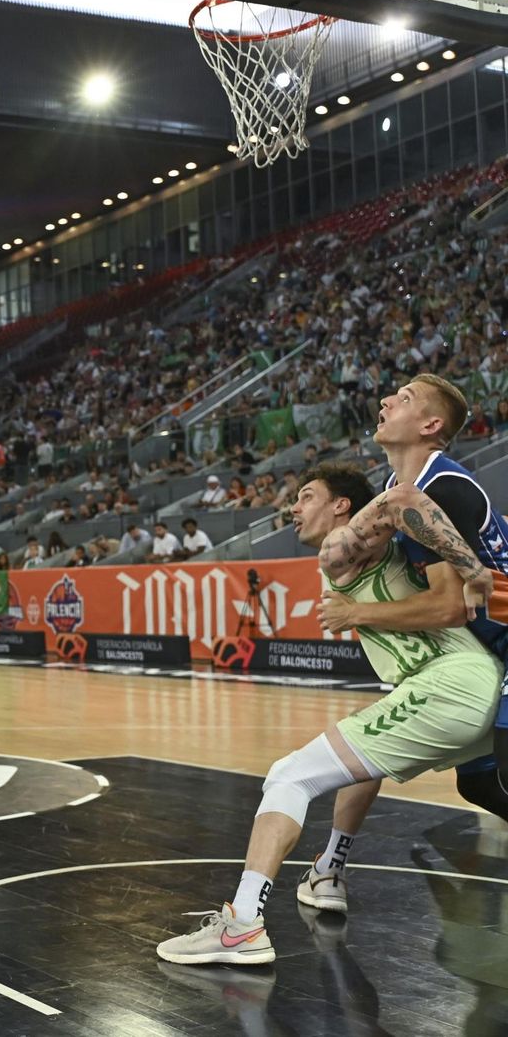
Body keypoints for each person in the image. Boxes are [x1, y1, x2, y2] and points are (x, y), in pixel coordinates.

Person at [157, 462, 501, 965]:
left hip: (452, 684)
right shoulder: (375, 552)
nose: (293, 507)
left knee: (289, 776)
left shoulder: (344, 547)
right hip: (472, 688)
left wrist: (468, 571)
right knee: (363, 759)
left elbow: (403, 498)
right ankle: (328, 871)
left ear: (342, 505)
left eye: (306, 495)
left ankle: (242, 925)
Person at [298, 376, 508, 913]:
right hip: (488, 651)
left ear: (431, 426)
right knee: (480, 786)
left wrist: (357, 612)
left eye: (405, 398)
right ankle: (329, 865)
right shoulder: (400, 485)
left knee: (504, 773)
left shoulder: (443, 488)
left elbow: (450, 606)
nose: (386, 399)